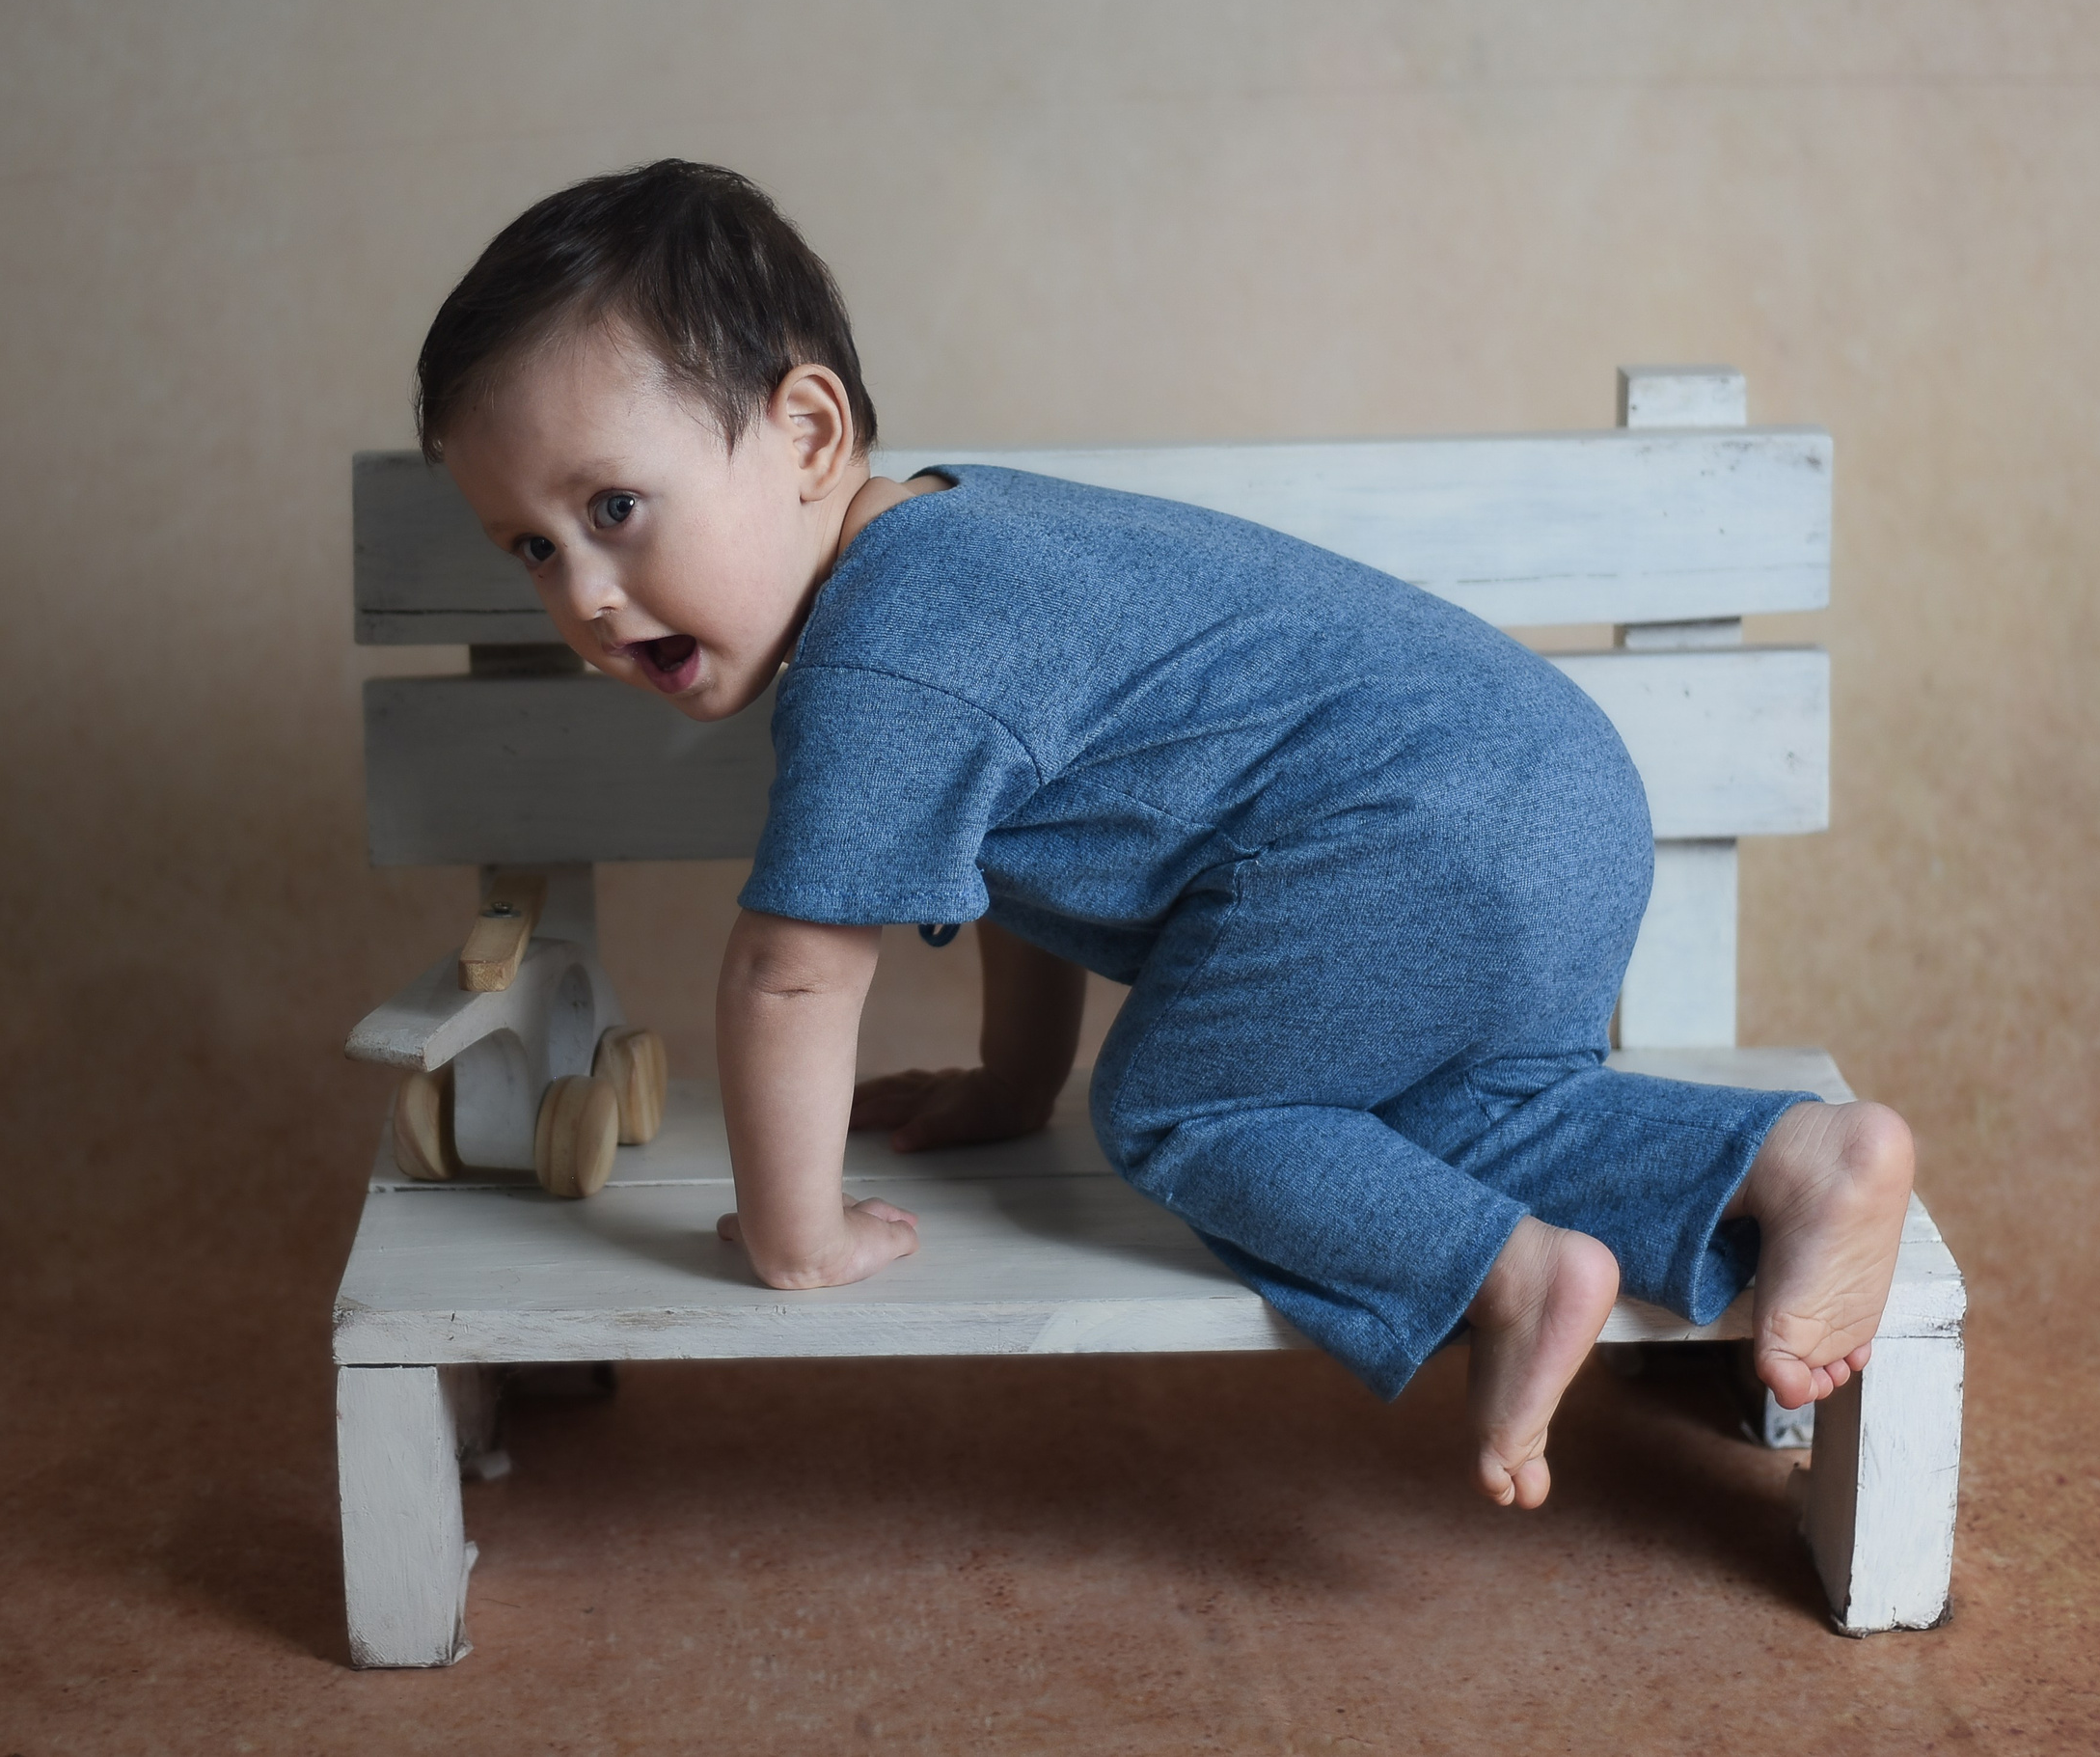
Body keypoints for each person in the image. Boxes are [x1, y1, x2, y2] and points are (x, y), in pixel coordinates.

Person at [414, 159, 1916, 1509]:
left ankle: (1514, 1277)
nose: (588, 598)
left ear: (806, 430)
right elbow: (1011, 851)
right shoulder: (958, 544)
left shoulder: (879, 658)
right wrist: (1011, 1082)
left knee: (1181, 1110)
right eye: (534, 549)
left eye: (617, 506)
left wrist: (794, 1234)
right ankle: (1799, 1165)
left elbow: (792, 977)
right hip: (1554, 783)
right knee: (1445, 1116)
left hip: (1400, 825)